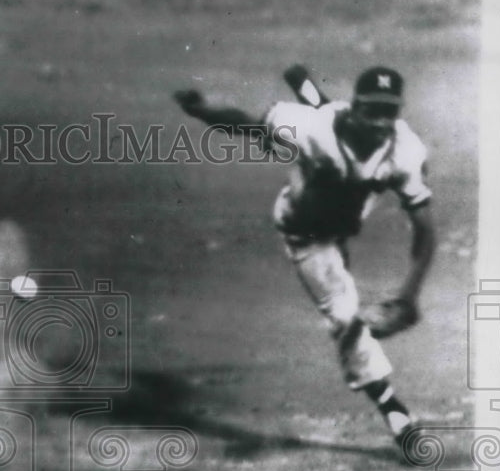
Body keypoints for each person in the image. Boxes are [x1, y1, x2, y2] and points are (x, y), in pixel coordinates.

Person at [174, 66, 436, 448]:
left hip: (343, 217)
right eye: (373, 111)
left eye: (390, 112)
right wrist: (201, 111)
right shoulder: (307, 126)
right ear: (355, 107)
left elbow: (426, 230)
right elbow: (247, 126)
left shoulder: (405, 150)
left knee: (339, 161)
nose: (382, 122)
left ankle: (315, 94)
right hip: (307, 235)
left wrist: (409, 296)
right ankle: (396, 414)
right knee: (346, 318)